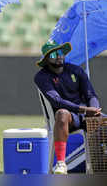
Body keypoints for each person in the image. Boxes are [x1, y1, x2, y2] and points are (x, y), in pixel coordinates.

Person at [34, 40, 104, 174]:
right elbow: (56, 101)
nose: (59, 56)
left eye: (60, 53)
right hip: (65, 119)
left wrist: (95, 111)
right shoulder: (41, 76)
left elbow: (91, 95)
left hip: (84, 115)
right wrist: (84, 110)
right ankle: (61, 164)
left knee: (104, 121)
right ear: (47, 59)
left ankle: (101, 164)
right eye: (54, 55)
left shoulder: (76, 70)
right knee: (62, 113)